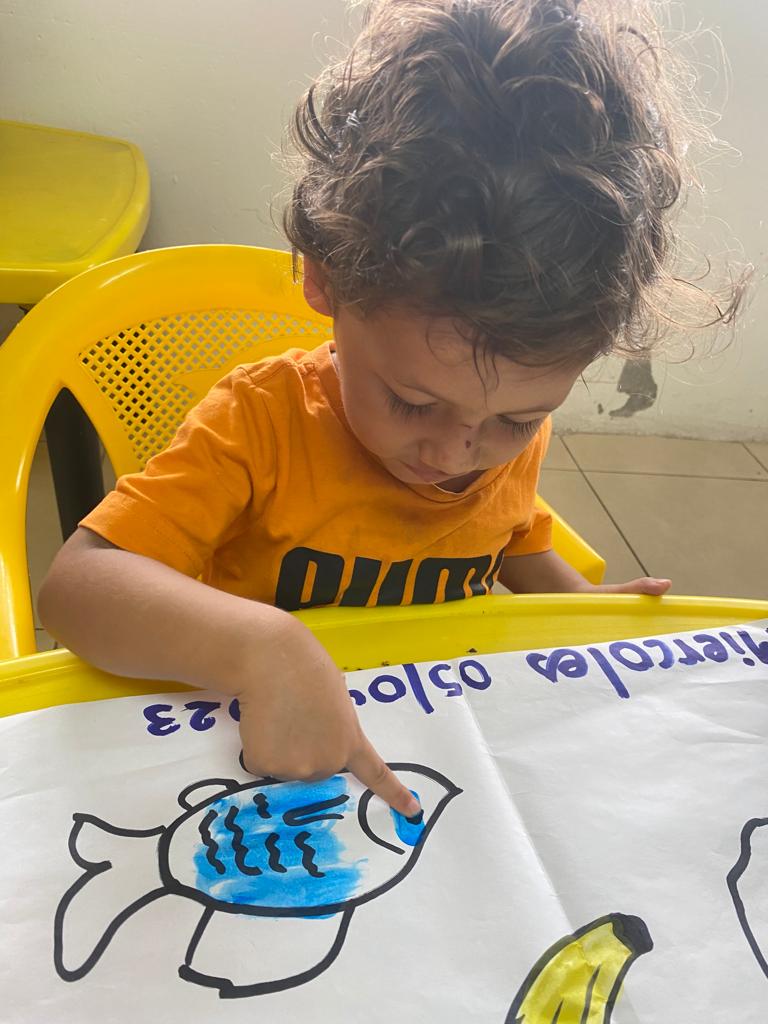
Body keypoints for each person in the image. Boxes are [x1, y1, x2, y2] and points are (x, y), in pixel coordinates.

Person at [38, 0, 741, 815]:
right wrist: (262, 648)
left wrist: (572, 610)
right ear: (325, 279)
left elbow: (507, 534)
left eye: (516, 420)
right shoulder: (257, 424)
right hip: (262, 758)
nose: (455, 455)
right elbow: (76, 589)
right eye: (411, 402)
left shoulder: (499, 440)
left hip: (436, 745)